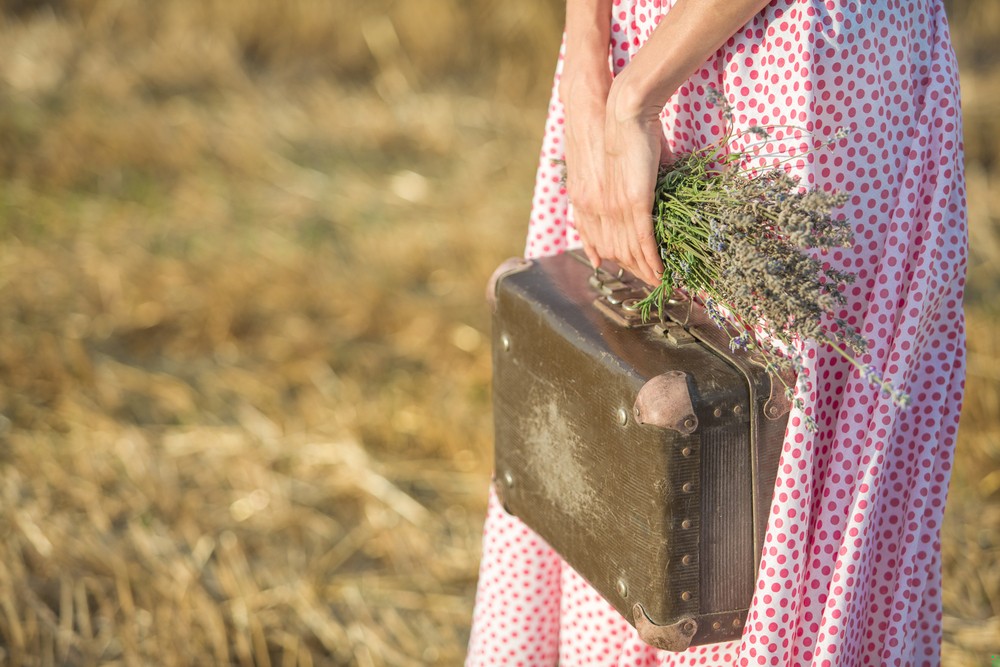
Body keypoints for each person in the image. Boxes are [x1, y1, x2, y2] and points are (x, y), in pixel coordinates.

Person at [467, 0, 968, 665]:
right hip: (629, 55)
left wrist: (627, 94)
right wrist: (590, 69)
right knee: (615, 422)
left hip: (797, 69)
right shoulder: (611, 89)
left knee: (760, 480)